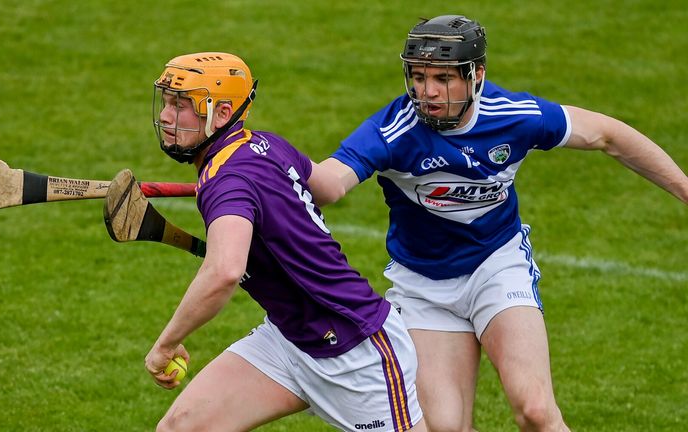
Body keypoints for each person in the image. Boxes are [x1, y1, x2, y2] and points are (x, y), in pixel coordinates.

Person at [310, 15, 688, 432]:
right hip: (424, 288)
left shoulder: (514, 116)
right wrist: (266, 159)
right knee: (444, 428)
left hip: (496, 265)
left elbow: (608, 135)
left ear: (477, 76)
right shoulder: (392, 130)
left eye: (443, 78)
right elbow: (329, 183)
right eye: (418, 77)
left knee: (536, 411)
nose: (427, 91)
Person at [142, 52, 425, 432]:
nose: (165, 115)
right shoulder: (264, 146)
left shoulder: (228, 181)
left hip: (356, 351)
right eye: (168, 102)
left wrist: (165, 344)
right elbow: (325, 189)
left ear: (222, 113)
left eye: (181, 105)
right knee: (181, 427)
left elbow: (225, 271)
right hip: (288, 339)